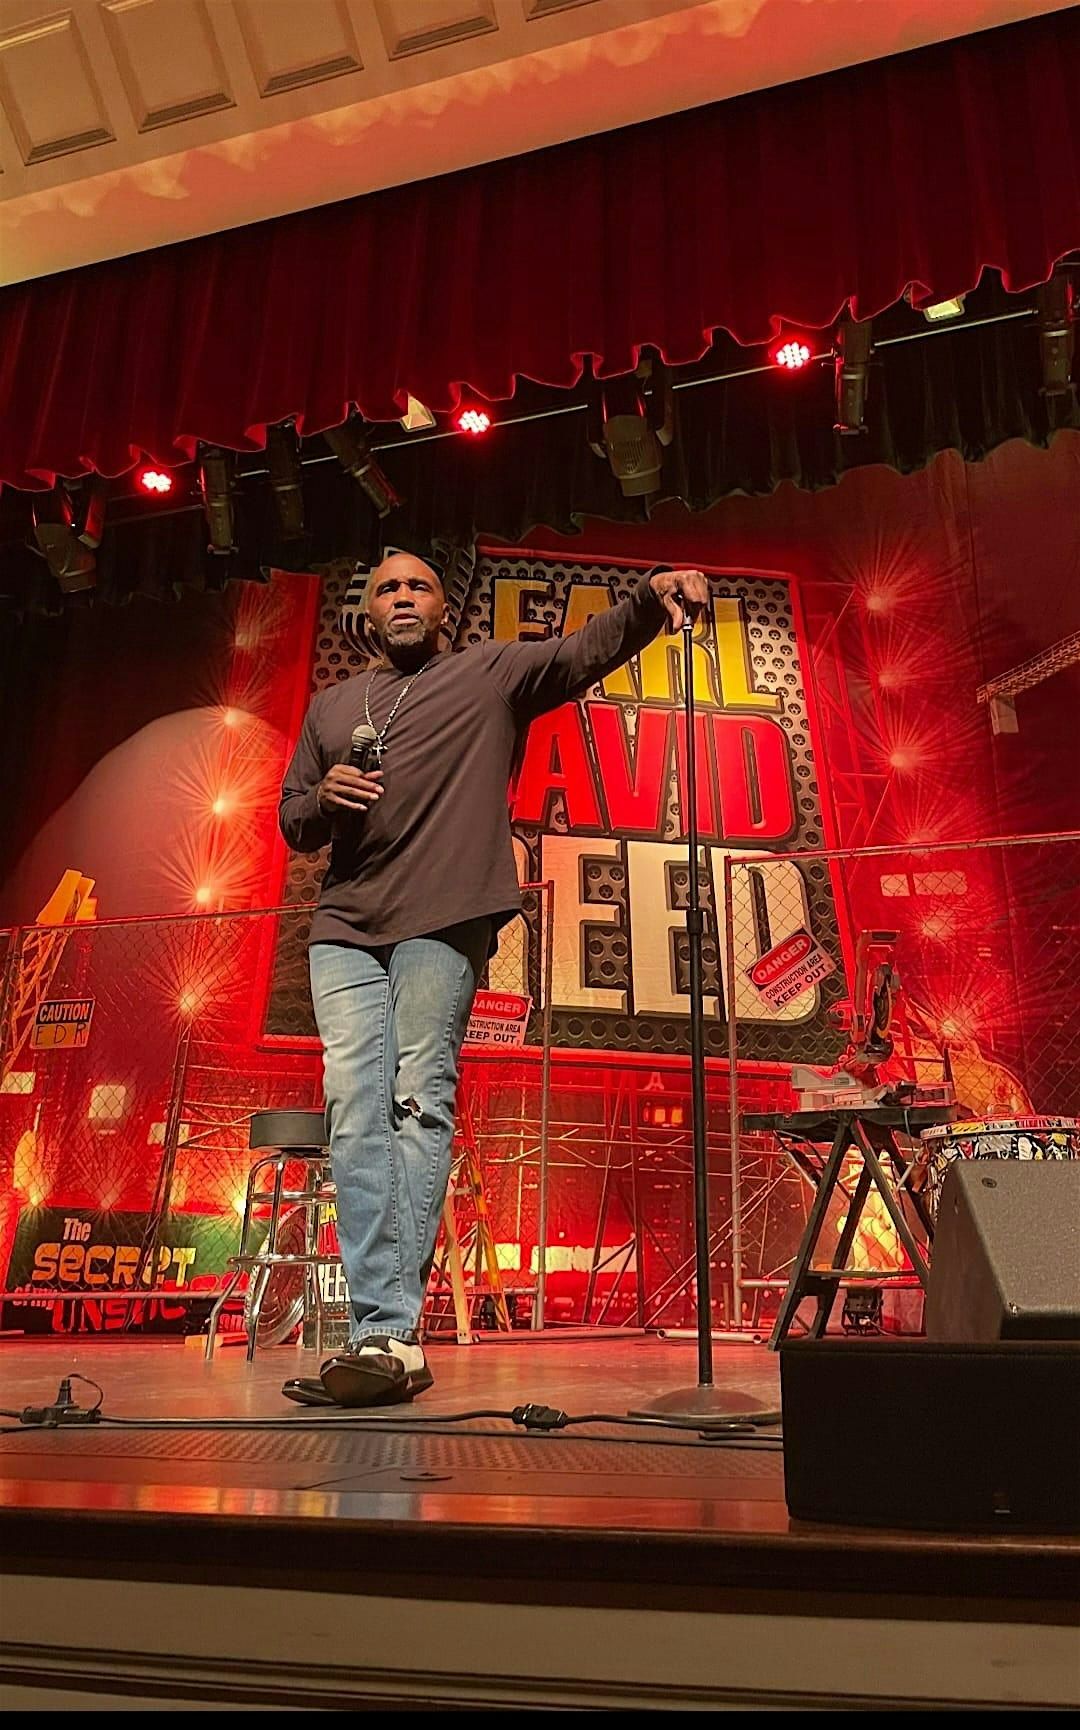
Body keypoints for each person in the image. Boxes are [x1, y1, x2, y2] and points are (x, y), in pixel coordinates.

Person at [278, 550, 709, 1407]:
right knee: (354, 1115)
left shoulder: (487, 672)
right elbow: (292, 818)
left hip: (444, 916)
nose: (403, 596)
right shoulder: (332, 706)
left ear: (444, 609)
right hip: (345, 928)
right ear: (367, 613)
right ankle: (384, 1335)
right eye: (388, 588)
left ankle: (387, 1332)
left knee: (416, 1099)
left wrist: (648, 598)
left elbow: (582, 651)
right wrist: (323, 796)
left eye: (419, 586)